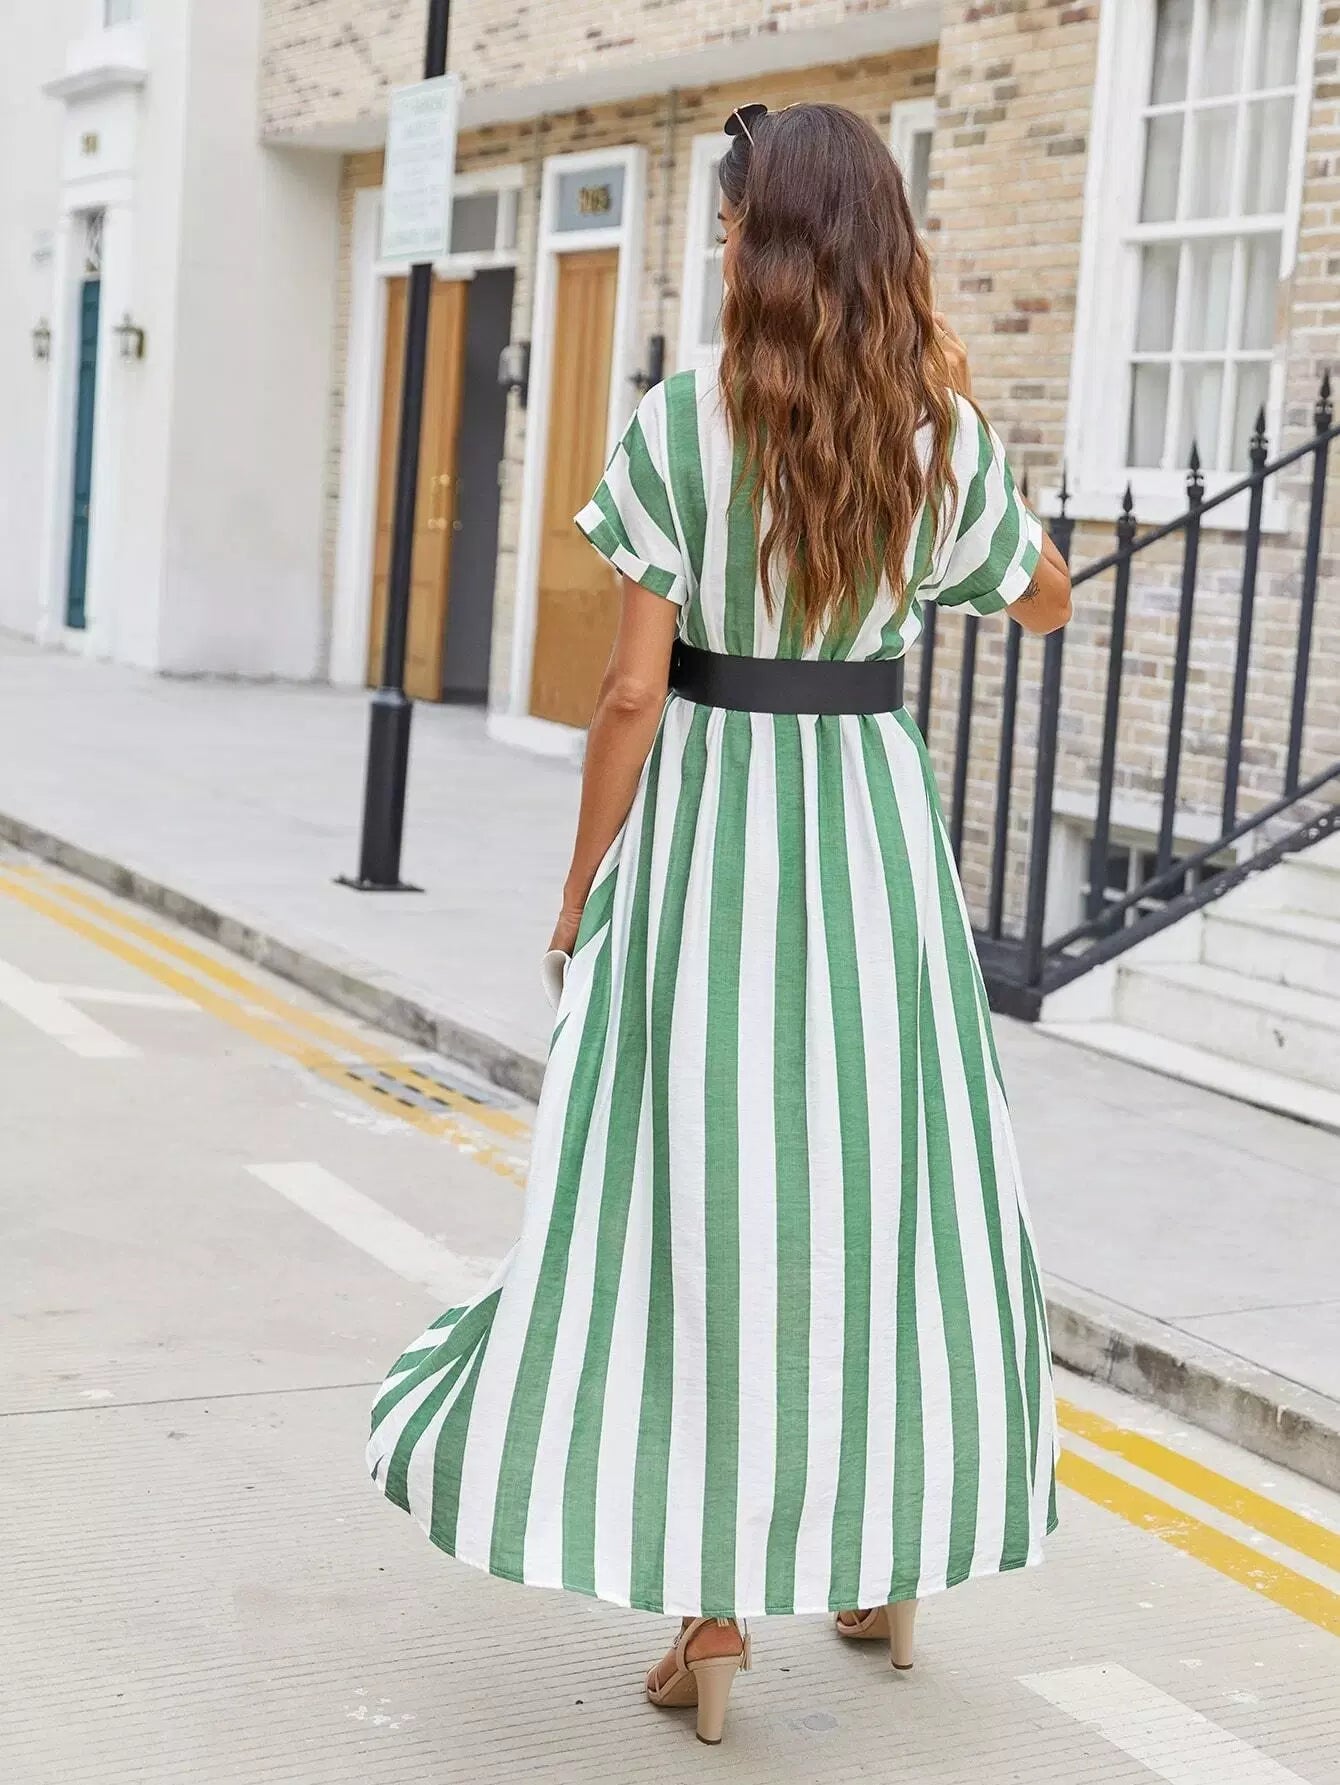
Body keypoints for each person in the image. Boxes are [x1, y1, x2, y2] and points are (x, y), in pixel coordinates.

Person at [367, 99, 1072, 1748]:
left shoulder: (684, 422)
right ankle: (884, 1565)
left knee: (698, 1203)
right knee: (879, 1201)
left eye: (732, 223)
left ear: (761, 245)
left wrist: (579, 883)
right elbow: (1046, 597)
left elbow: (630, 693)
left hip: (714, 844)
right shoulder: (936, 432)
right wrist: (956, 497)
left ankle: (713, 1609)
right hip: (874, 852)